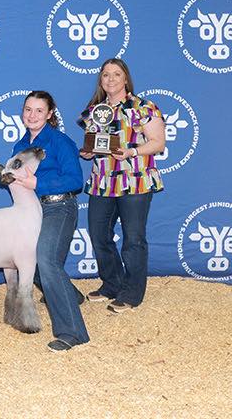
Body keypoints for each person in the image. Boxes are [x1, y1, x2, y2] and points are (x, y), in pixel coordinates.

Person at [78, 58, 165, 314]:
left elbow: (158, 142)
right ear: (101, 80)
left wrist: (131, 152)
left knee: (133, 239)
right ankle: (112, 283)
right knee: (99, 234)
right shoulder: (95, 111)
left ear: (126, 78)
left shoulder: (143, 107)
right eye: (106, 74)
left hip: (135, 179)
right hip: (103, 181)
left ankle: (132, 293)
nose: (111, 79)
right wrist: (88, 152)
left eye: (116, 74)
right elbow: (94, 144)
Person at [10, 91, 89, 352]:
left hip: (59, 207)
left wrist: (38, 182)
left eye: (39, 110)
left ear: (49, 114)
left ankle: (72, 333)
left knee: (46, 260)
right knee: (27, 259)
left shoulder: (60, 142)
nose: (32, 115)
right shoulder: (20, 146)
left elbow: (75, 180)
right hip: (32, 210)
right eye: (28, 110)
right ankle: (70, 295)